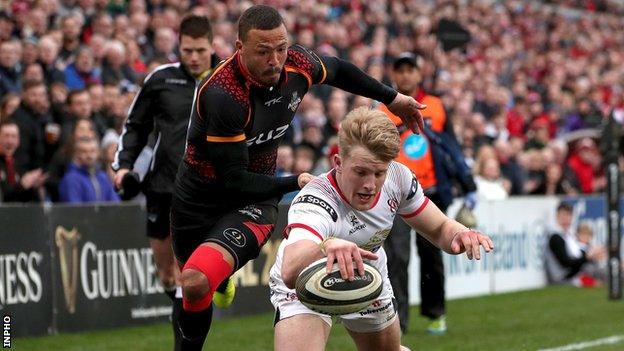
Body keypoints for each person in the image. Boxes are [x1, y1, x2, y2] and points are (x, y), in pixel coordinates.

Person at [171, 5, 426, 351]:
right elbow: (233, 179)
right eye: (263, 51)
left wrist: (391, 97)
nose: (275, 59)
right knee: (192, 285)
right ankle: (219, 277)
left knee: (196, 280)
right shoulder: (224, 95)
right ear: (238, 48)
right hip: (200, 199)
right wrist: (295, 181)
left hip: (253, 203)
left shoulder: (296, 63)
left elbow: (337, 69)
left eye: (281, 48)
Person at [269, 107, 493, 351]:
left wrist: (460, 234)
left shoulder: (399, 178)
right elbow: (290, 269)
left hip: (366, 275)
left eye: (379, 173)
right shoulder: (315, 199)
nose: (370, 185)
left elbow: (439, 227)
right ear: (339, 163)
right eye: (361, 172)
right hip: (306, 278)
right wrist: (325, 246)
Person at [111, 14, 220, 351]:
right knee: (166, 275)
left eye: (200, 50)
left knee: (188, 276)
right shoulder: (161, 79)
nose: (194, 57)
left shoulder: (226, 79)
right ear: (179, 46)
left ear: (211, 46)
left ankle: (184, 346)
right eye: (187, 50)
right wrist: (122, 166)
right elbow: (135, 126)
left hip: (204, 190)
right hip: (160, 185)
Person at [380, 52, 478, 334]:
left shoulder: (435, 106)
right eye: (401, 70)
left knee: (432, 257)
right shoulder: (383, 109)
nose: (406, 75)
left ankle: (436, 314)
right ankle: (398, 322)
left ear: (419, 74)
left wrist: (467, 183)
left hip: (431, 191)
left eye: (411, 69)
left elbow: (452, 148)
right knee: (396, 259)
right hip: (394, 195)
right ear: (394, 76)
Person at [544, 202, 606, 285]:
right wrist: (587, 257)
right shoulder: (555, 237)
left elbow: (579, 256)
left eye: (568, 215)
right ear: (557, 216)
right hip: (563, 278)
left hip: (573, 273)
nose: (566, 219)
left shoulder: (568, 236)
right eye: (563, 216)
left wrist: (592, 255)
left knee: (598, 268)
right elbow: (566, 264)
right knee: (591, 269)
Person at [58, 136, 119, 203]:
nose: (89, 155)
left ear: (98, 153)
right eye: (84, 151)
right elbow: (74, 210)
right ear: (76, 154)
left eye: (92, 151)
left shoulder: (103, 177)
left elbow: (116, 205)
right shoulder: (71, 179)